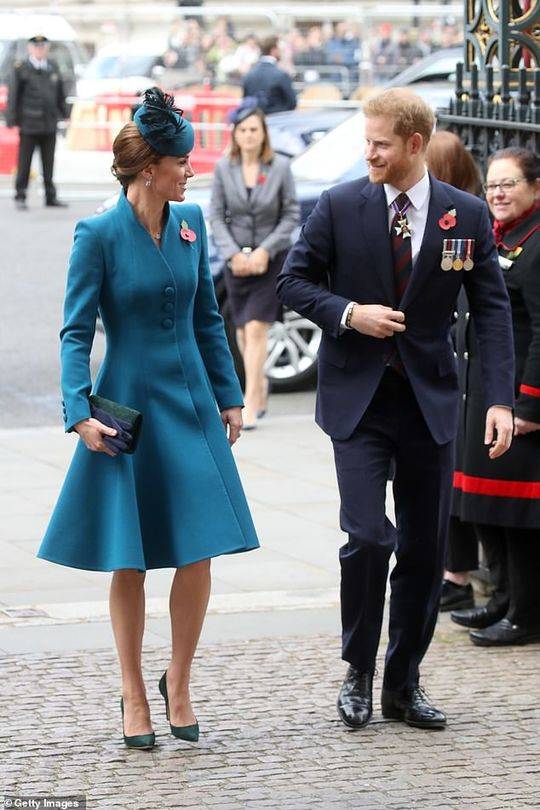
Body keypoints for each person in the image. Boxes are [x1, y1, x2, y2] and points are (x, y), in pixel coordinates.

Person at [277, 88, 514, 731]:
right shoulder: (339, 204)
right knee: (368, 536)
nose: (369, 153)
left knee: (422, 546)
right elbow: (292, 281)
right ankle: (357, 668)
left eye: (381, 143)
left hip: (430, 404)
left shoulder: (464, 215)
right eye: (366, 141)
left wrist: (499, 400)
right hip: (358, 402)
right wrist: (351, 314)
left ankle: (402, 681)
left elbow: (492, 312)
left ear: (414, 144)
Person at [37, 88, 260, 749]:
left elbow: (208, 319)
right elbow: (76, 332)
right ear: (147, 169)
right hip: (126, 406)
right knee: (128, 558)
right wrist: (78, 410)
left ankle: (179, 681)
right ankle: (133, 691)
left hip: (192, 404)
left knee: (200, 552)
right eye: (180, 161)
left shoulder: (191, 223)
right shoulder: (98, 234)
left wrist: (231, 393)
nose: (191, 170)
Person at [450, 147, 540, 646]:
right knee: (492, 510)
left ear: (535, 188)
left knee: (522, 516)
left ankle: (527, 613)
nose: (498, 193)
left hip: (521, 401)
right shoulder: (499, 235)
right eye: (492, 185)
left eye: (509, 184)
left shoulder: (538, 242)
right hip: (487, 393)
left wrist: (529, 403)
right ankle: (502, 599)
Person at [210, 100, 299, 428]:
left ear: (263, 134)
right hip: (237, 262)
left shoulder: (279, 168)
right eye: (243, 130)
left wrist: (264, 251)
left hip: (270, 260)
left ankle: (248, 399)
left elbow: (290, 214)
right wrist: (233, 253)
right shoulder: (224, 168)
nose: (249, 136)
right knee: (243, 332)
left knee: (257, 329)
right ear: (235, 134)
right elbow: (217, 214)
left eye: (254, 130)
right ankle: (259, 385)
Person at [425, 130, 484, 613]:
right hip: (444, 367)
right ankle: (449, 569)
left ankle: (458, 572)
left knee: (461, 477)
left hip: (466, 371)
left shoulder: (467, 216)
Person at [6, 35, 68, 210]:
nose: (40, 50)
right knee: (24, 163)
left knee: (48, 163)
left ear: (46, 48)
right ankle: (20, 195)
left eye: (43, 46)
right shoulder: (21, 68)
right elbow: (14, 95)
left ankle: (50, 196)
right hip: (29, 124)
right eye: (36, 47)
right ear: (30, 49)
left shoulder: (52, 67)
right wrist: (12, 118)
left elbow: (60, 93)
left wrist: (64, 113)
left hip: (49, 122)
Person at [242, 36, 297, 115]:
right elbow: (292, 102)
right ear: (274, 50)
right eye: (280, 50)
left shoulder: (249, 75)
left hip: (256, 120)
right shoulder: (281, 75)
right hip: (278, 122)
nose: (281, 52)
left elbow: (246, 101)